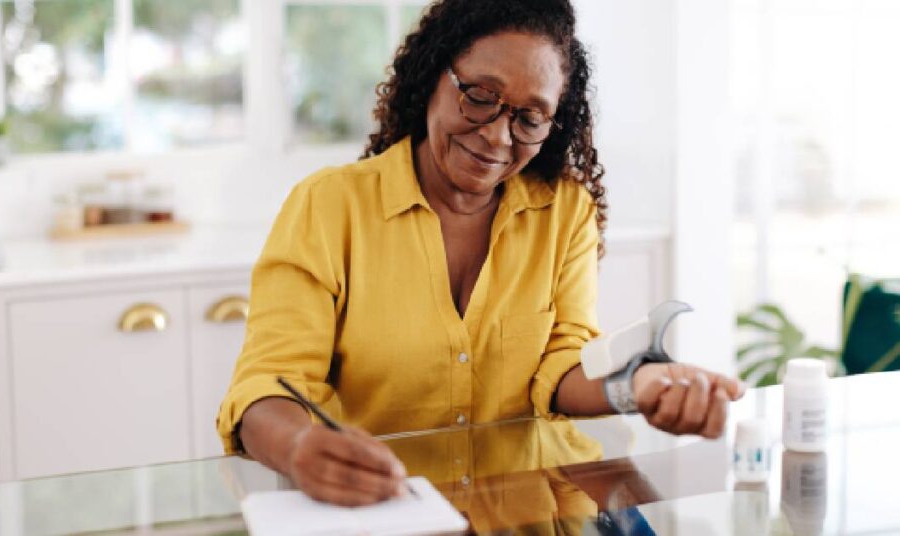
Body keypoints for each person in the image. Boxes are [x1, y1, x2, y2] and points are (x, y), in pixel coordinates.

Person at [217, 0, 745, 507]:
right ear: (433, 77)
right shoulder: (330, 207)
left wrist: (640, 385)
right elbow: (269, 380)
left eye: (530, 118)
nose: (496, 136)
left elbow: (563, 363)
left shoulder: (563, 211)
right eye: (479, 95)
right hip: (388, 510)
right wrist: (296, 448)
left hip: (531, 507)